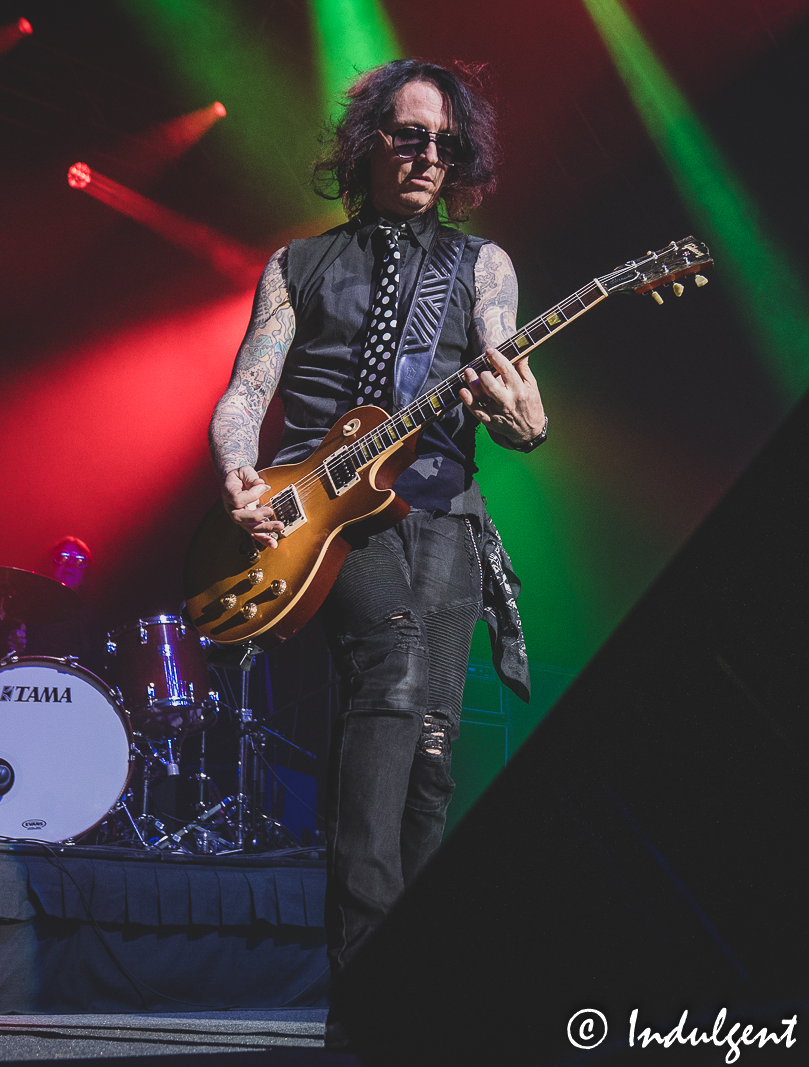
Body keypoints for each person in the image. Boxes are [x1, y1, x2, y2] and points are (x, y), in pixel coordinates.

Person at [206, 59, 543, 1045]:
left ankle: (408, 986)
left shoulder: (482, 267)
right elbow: (243, 391)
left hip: (445, 516)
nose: (429, 156)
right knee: (388, 695)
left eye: (445, 142)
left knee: (430, 752)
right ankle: (366, 1010)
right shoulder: (296, 265)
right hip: (328, 519)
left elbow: (517, 400)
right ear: (368, 145)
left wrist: (523, 412)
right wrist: (239, 472)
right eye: (409, 136)